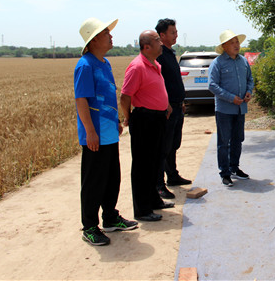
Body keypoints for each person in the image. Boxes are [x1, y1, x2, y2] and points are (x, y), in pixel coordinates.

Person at [74, 17, 138, 246]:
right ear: (93, 40)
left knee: (112, 179)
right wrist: (90, 131)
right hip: (95, 135)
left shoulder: (105, 63)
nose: (111, 36)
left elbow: (108, 97)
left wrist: (117, 121)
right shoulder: (85, 65)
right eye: (106, 34)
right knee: (93, 182)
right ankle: (90, 227)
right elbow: (81, 100)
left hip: (110, 132)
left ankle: (110, 217)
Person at [120, 30, 175, 222]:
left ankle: (154, 200)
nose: (161, 43)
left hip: (158, 118)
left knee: (155, 162)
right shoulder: (137, 67)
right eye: (157, 40)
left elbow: (156, 89)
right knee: (143, 166)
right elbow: (125, 97)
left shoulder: (155, 64)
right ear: (146, 47)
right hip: (145, 120)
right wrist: (129, 118)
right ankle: (142, 209)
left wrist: (165, 105)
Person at [208, 30, 254, 187]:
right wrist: (230, 98)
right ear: (224, 46)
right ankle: (225, 173)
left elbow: (250, 79)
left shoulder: (243, 61)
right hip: (224, 110)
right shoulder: (218, 63)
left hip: (240, 108)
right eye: (232, 42)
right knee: (224, 142)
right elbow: (212, 85)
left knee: (238, 139)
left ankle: (235, 168)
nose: (236, 45)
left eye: (237, 42)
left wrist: (249, 92)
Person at [155, 18, 191, 201]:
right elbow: (159, 84)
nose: (176, 34)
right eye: (172, 32)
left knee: (174, 144)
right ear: (162, 35)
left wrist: (181, 101)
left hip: (177, 106)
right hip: (166, 109)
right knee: (164, 146)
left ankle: (173, 176)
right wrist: (167, 104)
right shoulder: (159, 55)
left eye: (176, 32)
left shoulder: (170, 53)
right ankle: (159, 185)